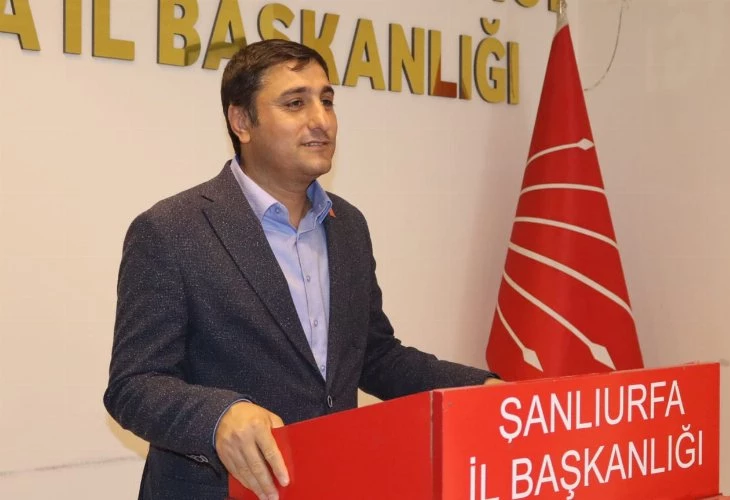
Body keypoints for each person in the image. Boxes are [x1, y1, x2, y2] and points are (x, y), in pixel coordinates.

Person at [104, 39, 498, 500]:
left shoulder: (347, 225)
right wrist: (219, 416)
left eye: (326, 101)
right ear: (241, 122)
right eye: (295, 103)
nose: (321, 120)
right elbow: (134, 385)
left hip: (332, 482)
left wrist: (480, 388)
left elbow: (372, 355)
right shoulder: (172, 230)